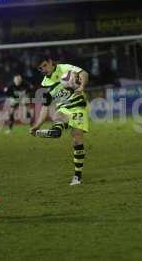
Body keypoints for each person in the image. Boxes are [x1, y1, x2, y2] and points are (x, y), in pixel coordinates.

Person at [29, 53, 89, 186]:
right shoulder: (45, 84)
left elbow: (84, 73)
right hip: (64, 108)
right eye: (40, 68)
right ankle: (55, 131)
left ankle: (77, 177)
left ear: (50, 62)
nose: (43, 69)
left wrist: (81, 86)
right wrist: (37, 124)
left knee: (76, 138)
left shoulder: (64, 68)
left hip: (79, 105)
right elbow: (45, 107)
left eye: (45, 65)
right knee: (57, 115)